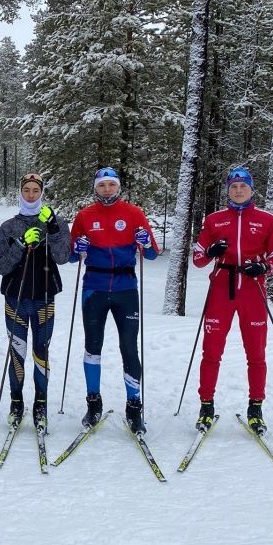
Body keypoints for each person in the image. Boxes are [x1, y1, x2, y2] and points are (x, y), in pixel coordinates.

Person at [192, 166, 273, 433]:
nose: (239, 190)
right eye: (234, 186)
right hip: (222, 288)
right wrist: (211, 251)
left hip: (252, 290)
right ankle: (206, 406)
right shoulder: (214, 220)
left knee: (256, 353)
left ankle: (256, 408)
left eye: (243, 186)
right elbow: (198, 259)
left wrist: (265, 268)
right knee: (211, 351)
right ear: (228, 190)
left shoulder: (267, 220)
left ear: (251, 189)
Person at [69, 167, 160, 435]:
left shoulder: (133, 213)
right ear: (95, 188)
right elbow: (73, 257)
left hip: (125, 287)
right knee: (92, 346)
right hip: (94, 287)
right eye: (102, 185)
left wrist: (145, 242)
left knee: (129, 348)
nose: (107, 189)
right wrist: (78, 248)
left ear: (118, 187)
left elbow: (153, 253)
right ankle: (93, 404)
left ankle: (134, 408)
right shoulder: (85, 215)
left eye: (111, 184)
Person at [0, 173, 71, 433]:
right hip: (15, 297)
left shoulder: (55, 221)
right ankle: (16, 402)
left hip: (44, 296)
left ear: (42, 193)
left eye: (35, 190)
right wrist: (19, 244)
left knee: (41, 351)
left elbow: (62, 257)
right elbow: (1, 266)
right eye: (26, 190)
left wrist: (55, 230)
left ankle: (41, 404)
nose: (30, 195)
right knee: (17, 351)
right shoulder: (9, 226)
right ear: (20, 192)